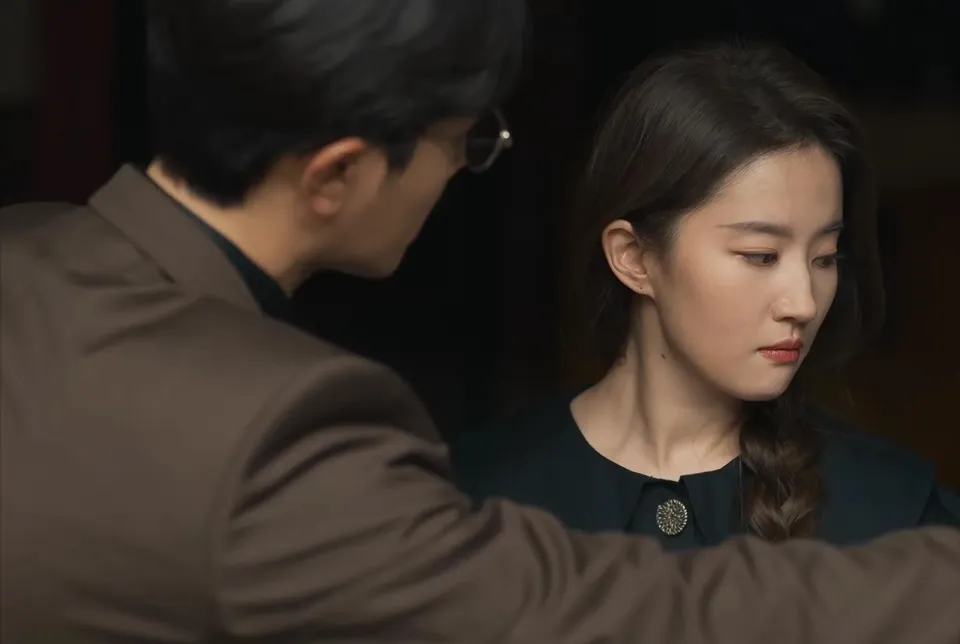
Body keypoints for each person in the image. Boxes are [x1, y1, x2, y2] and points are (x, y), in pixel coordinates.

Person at [0, 2, 957, 641]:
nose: (464, 168)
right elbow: (589, 614)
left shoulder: (24, 255)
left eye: (825, 255)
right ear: (339, 172)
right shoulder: (284, 440)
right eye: (465, 140)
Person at [450, 42, 960, 550]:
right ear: (633, 256)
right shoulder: (475, 499)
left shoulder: (898, 513)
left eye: (824, 257)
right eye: (761, 256)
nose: (804, 303)